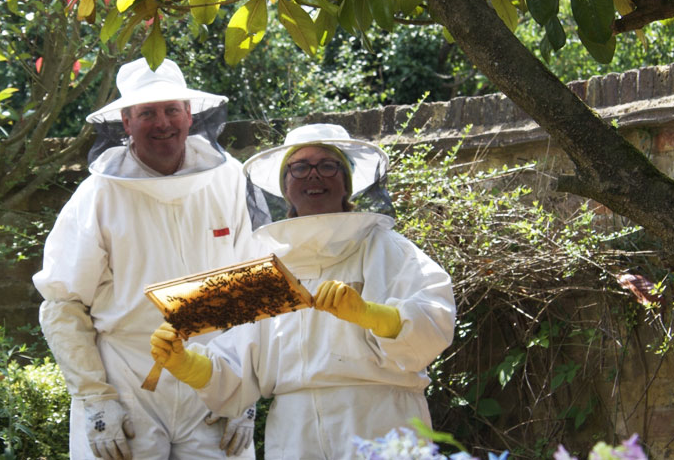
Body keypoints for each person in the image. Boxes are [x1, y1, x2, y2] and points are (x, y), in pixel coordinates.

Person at [149, 124, 458, 459]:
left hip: (380, 422)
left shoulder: (389, 249)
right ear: (285, 186)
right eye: (299, 167)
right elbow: (238, 371)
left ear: (346, 184)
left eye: (327, 165)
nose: (314, 175)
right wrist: (187, 363)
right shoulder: (264, 270)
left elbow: (435, 318)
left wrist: (374, 316)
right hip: (294, 434)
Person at [34, 58, 262, 460]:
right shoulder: (98, 195)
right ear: (125, 121)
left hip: (212, 377)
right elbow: (62, 302)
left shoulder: (229, 179)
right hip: (127, 380)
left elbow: (254, 289)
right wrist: (95, 397)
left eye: (172, 109)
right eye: (147, 113)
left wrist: (244, 391)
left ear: (190, 114)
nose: (163, 123)